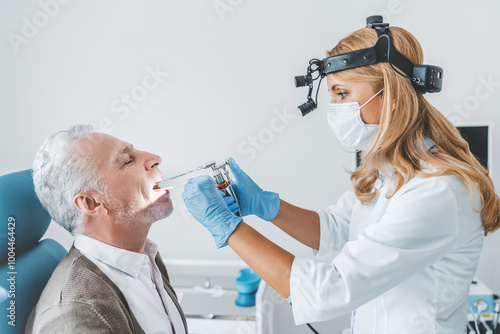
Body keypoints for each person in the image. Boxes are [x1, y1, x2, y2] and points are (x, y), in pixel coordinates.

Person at [182, 23, 500, 333]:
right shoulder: (388, 171)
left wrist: (229, 228)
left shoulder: (435, 191)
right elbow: (338, 228)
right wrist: (267, 206)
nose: (334, 108)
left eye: (342, 93)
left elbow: (328, 290)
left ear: (393, 95)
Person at [26, 125, 187, 334]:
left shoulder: (144, 256)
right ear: (92, 203)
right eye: (128, 160)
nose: (155, 158)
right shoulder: (76, 316)